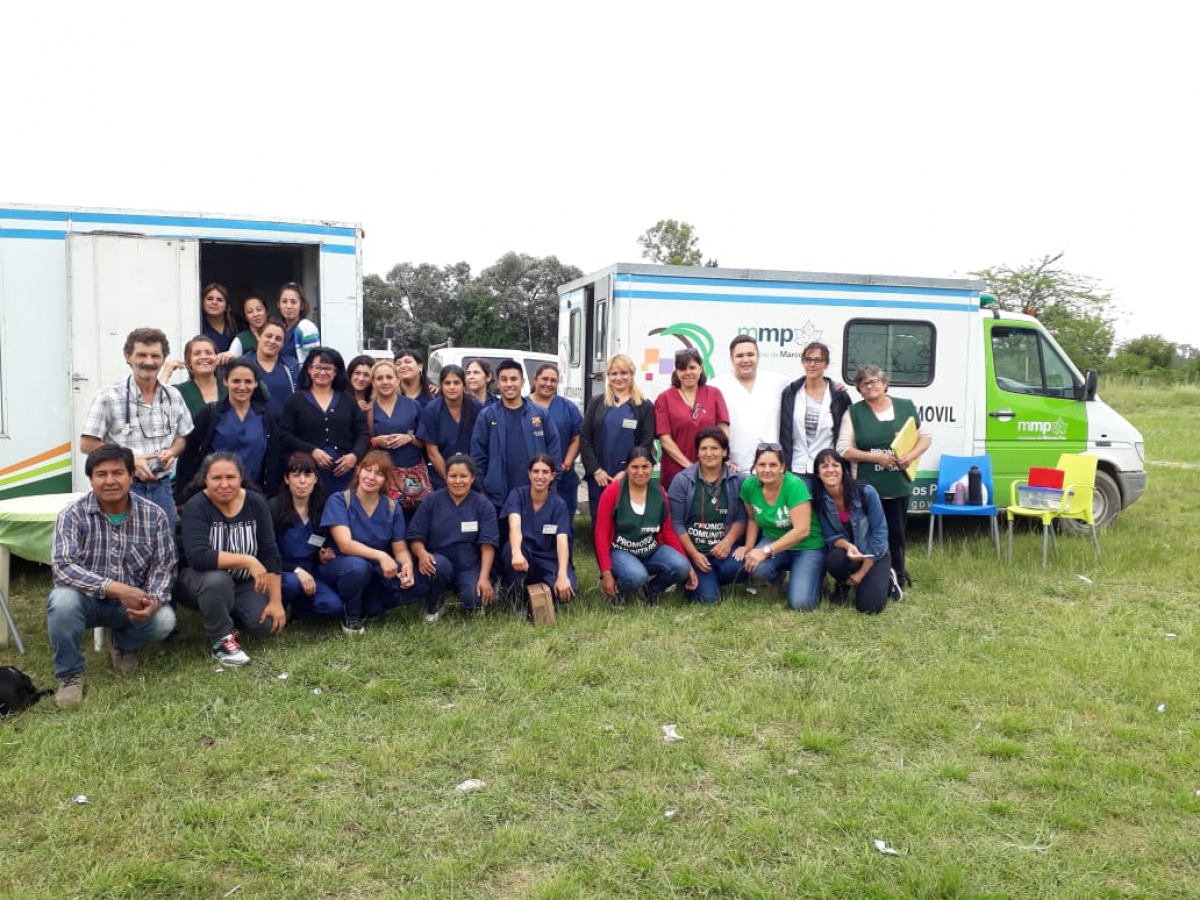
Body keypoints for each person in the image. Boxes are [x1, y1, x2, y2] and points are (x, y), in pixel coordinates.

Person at [46, 445, 178, 707]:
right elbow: (63, 566)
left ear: (132, 476)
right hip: (86, 601)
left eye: (117, 472)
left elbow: (164, 567)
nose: (109, 481)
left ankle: (121, 644)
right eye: (101, 474)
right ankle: (71, 675)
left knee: (165, 619)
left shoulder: (154, 516)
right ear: (91, 479)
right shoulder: (72, 515)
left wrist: (153, 600)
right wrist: (115, 588)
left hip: (128, 606)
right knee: (62, 601)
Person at [175, 453, 285, 666]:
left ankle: (224, 613)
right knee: (217, 581)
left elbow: (270, 553)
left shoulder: (255, 502)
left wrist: (275, 601)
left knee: (266, 626)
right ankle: (221, 641)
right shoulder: (196, 506)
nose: (224, 484)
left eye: (230, 477)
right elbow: (198, 557)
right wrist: (247, 560)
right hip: (198, 581)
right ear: (205, 479)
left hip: (243, 584)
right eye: (216, 478)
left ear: (240, 478)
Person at [80, 327, 194, 532]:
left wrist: (173, 452)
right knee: (121, 545)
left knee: (164, 546)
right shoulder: (109, 396)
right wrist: (129, 459)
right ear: (128, 357)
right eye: (141, 355)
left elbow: (183, 437)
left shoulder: (173, 396)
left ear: (163, 359)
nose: (149, 361)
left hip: (162, 488)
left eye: (155, 356)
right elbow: (87, 444)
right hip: (122, 488)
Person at [836, 364, 932, 590]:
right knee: (868, 533)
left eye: (874, 381)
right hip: (867, 485)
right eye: (863, 383)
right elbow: (843, 449)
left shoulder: (905, 407)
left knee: (897, 533)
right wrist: (875, 457)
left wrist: (911, 456)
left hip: (898, 483)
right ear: (859, 389)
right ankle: (869, 576)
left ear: (884, 383)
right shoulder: (854, 413)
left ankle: (897, 574)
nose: (869, 386)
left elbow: (925, 437)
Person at [320, 451, 422, 633]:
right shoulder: (339, 500)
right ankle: (350, 617)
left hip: (374, 570)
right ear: (358, 471)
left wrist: (406, 564)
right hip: (342, 566)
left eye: (379, 473)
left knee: (417, 582)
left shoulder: (392, 506)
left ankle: (371, 603)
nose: (371, 477)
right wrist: (381, 555)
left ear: (386, 480)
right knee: (358, 567)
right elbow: (345, 544)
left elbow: (400, 549)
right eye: (368, 470)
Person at [594, 445, 695, 604]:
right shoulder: (613, 491)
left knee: (681, 567)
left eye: (645, 466)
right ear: (627, 468)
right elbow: (600, 534)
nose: (640, 472)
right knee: (635, 576)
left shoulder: (660, 492)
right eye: (634, 467)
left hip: (650, 550)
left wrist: (688, 565)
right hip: (620, 552)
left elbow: (668, 532)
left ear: (652, 467)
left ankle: (649, 590)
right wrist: (606, 573)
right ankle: (617, 590)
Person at [735, 443, 826, 611]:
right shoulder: (749, 486)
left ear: (782, 467)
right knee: (755, 567)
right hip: (774, 538)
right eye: (762, 465)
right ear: (755, 466)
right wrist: (749, 547)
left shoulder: (794, 485)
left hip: (807, 545)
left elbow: (802, 531)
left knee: (801, 604)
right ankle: (778, 577)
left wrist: (765, 551)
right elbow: (752, 519)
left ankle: (816, 574)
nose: (767, 470)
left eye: (773, 465)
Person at [407, 454, 499, 619]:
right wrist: (421, 554)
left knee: (473, 600)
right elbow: (415, 536)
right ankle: (436, 604)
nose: (458, 481)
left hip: (469, 565)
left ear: (472, 478)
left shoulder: (483, 505)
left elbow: (488, 545)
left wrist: (484, 578)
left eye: (463, 476)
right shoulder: (431, 501)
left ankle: (466, 592)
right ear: (446, 477)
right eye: (453, 476)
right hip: (439, 562)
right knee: (438, 566)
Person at [175, 360, 281, 498]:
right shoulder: (211, 413)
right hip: (213, 494)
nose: (242, 387)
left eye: (248, 382)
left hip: (253, 495)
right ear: (225, 381)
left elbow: (273, 459)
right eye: (236, 381)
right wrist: (182, 496)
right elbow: (188, 455)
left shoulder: (265, 417)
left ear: (256, 383)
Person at [667, 428, 747, 603]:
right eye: (704, 449)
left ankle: (705, 578)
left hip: (724, 551)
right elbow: (676, 523)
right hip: (694, 551)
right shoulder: (682, 480)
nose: (709, 453)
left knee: (747, 567)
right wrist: (694, 555)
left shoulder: (738, 481)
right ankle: (690, 573)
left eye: (715, 448)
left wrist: (727, 542)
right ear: (697, 452)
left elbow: (742, 518)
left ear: (725, 451)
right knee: (708, 599)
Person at [470, 358, 562, 509]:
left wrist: (551, 484)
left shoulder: (540, 414)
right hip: (497, 498)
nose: (509, 384)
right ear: (498, 383)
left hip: (533, 495)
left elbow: (554, 452)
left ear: (522, 381)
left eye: (514, 379)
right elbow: (477, 456)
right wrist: (483, 488)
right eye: (504, 380)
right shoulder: (487, 415)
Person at [810, 448, 892, 614]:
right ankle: (844, 584)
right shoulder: (820, 501)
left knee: (869, 607)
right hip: (849, 556)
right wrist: (847, 546)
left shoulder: (866, 492)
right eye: (824, 466)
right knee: (834, 559)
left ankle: (887, 578)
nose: (831, 469)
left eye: (835, 465)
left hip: (873, 554)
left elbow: (880, 534)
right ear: (818, 474)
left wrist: (861, 573)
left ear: (844, 470)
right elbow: (830, 537)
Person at [281, 347, 369, 495]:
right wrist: (312, 451)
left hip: (343, 476)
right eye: (317, 367)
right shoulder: (296, 400)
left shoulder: (349, 401)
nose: (322, 372)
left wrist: (354, 456)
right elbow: (285, 434)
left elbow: (363, 433)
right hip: (307, 475)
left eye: (328, 368)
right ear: (309, 369)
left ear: (335, 372)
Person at [579, 353, 656, 520]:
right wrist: (596, 470)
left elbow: (646, 442)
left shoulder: (644, 406)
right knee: (601, 519)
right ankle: (602, 547)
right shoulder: (597, 402)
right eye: (613, 374)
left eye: (623, 373)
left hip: (631, 474)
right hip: (601, 475)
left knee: (628, 519)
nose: (618, 378)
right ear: (608, 376)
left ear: (632, 375)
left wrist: (627, 471)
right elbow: (585, 437)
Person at [268, 453, 345, 621]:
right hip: (281, 572)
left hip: (312, 573)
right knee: (291, 584)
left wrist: (325, 554)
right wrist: (295, 570)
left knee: (333, 607)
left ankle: (298, 609)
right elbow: (265, 554)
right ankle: (281, 603)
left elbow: (325, 540)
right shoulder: (273, 508)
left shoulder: (322, 507)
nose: (302, 481)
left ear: (316, 479)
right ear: (287, 479)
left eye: (308, 474)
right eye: (296, 475)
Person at [500, 454, 577, 605]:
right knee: (511, 549)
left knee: (567, 592)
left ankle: (536, 596)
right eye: (536, 471)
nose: (540, 476)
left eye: (545, 472)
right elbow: (514, 524)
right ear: (529, 474)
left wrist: (562, 574)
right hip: (523, 555)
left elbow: (562, 540)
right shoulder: (517, 495)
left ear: (552, 476)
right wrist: (516, 552)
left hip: (548, 559)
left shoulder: (559, 504)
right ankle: (517, 601)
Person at [710, 335, 790, 473]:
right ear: (731, 359)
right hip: (733, 470)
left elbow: (809, 389)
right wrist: (724, 459)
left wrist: (834, 385)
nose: (745, 360)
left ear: (758, 357)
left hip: (770, 469)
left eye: (750, 355)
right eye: (739, 355)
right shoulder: (716, 386)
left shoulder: (778, 382)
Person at [655, 347, 730, 491]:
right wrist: (690, 467)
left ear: (701, 368)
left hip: (712, 469)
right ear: (676, 371)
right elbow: (665, 439)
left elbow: (723, 429)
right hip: (676, 472)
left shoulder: (714, 394)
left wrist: (722, 458)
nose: (688, 372)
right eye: (682, 368)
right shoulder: (664, 398)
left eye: (692, 367)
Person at [779, 341, 851, 488]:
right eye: (807, 359)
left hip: (828, 468)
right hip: (797, 467)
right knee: (800, 510)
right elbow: (784, 431)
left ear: (826, 364)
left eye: (818, 360)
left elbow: (845, 434)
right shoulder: (790, 393)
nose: (812, 364)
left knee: (827, 510)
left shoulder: (838, 396)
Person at [366, 359, 428, 509]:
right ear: (373, 383)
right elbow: (360, 444)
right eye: (379, 378)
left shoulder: (413, 406)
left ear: (397, 380)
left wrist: (409, 438)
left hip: (411, 474)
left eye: (389, 377)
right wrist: (375, 441)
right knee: (385, 515)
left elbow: (426, 441)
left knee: (414, 517)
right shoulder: (367, 410)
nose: (385, 382)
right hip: (381, 475)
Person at [530, 363, 583, 522]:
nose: (548, 383)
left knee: (562, 519)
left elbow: (576, 439)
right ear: (535, 379)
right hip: (529, 476)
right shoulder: (522, 406)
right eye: (544, 379)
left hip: (563, 476)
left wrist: (564, 465)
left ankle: (564, 546)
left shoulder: (568, 408)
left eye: (553, 380)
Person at [417, 364, 483, 490]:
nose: (452, 387)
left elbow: (483, 447)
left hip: (472, 477)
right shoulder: (431, 411)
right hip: (441, 479)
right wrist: (450, 478)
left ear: (464, 385)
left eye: (456, 382)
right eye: (447, 383)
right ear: (441, 385)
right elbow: (432, 452)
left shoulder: (477, 408)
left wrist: (468, 478)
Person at [244, 317, 299, 421]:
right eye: (268, 336)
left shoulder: (293, 366)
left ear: (283, 344)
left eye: (278, 339)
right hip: (253, 431)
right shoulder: (243, 365)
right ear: (258, 336)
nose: (272, 341)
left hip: (285, 431)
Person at [160, 334, 226, 417]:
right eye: (197, 353)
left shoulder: (230, 385)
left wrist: (236, 362)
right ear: (189, 362)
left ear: (217, 358)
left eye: (208, 352)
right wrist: (165, 373)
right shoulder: (179, 391)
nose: (204, 356)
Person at [277, 281, 320, 365]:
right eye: (284, 301)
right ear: (278, 304)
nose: (288, 306)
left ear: (302, 305)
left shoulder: (306, 328)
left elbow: (314, 362)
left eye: (293, 302)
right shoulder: (281, 328)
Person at [200, 282, 238, 356]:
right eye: (210, 299)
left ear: (226, 306)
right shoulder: (197, 324)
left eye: (219, 300)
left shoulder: (237, 323)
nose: (214, 302)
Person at [228, 293, 270, 358]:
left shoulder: (278, 334)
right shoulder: (240, 340)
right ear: (245, 316)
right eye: (250, 312)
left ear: (266, 311)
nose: (255, 314)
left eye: (259, 309)